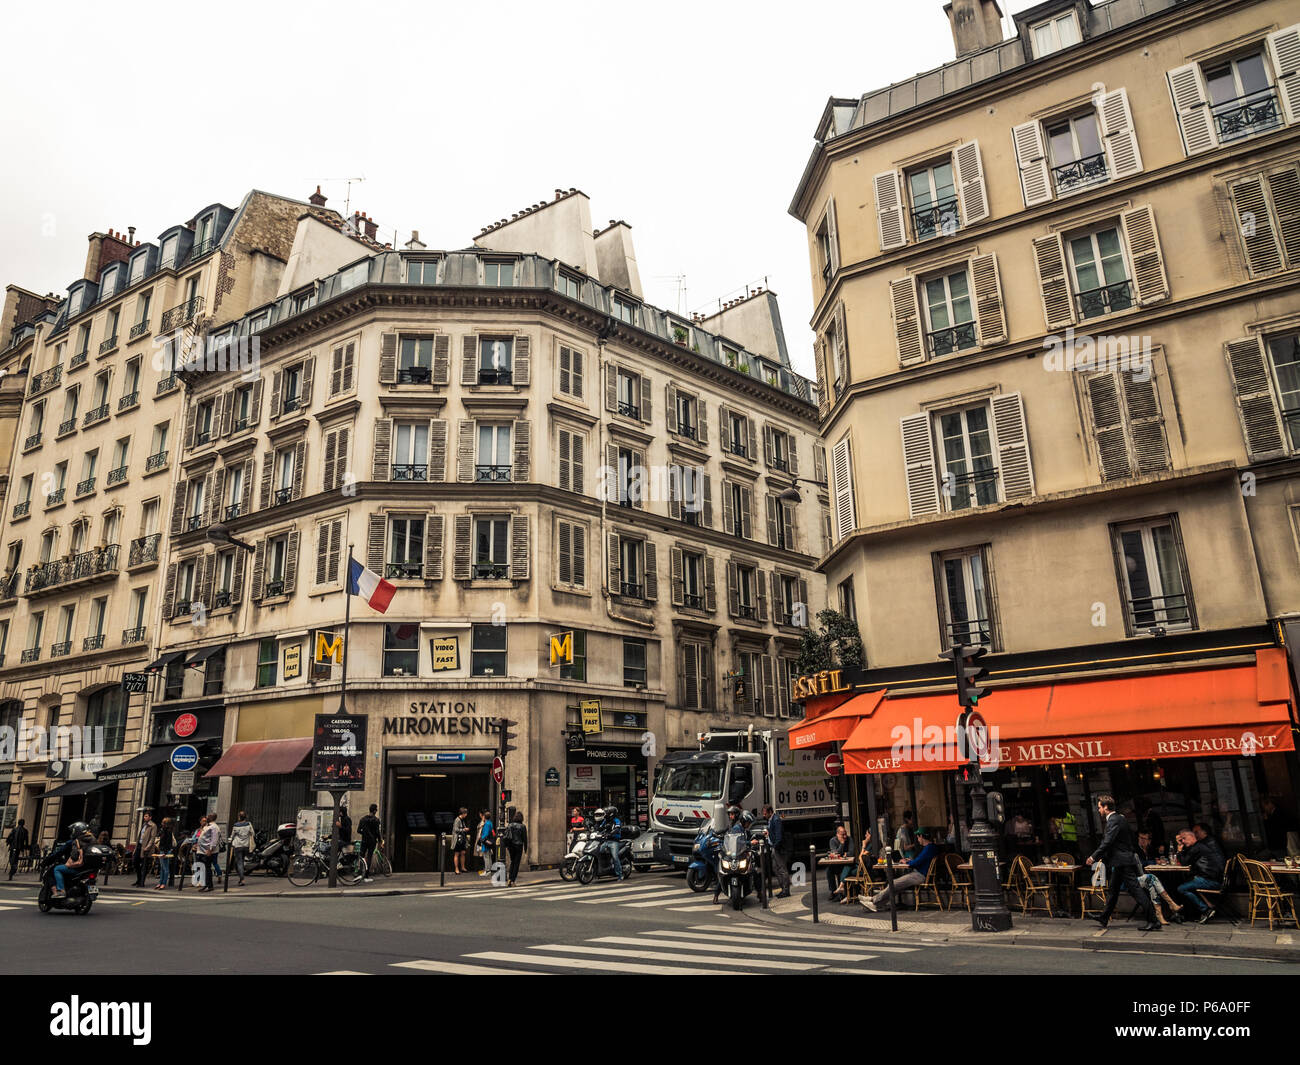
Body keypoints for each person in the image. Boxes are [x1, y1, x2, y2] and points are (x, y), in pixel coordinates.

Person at [1086, 794, 1158, 931]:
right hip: (1120, 861)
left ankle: (1154, 920)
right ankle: (1104, 917)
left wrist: (1093, 857)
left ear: (1106, 807)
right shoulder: (1120, 819)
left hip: (1123, 862)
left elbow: (1107, 841)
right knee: (1113, 891)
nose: (1099, 810)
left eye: (1100, 807)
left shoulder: (1114, 820)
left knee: (1136, 891)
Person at [861, 828, 939, 911]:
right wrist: (910, 861)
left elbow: (916, 863)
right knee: (897, 886)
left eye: (918, 837)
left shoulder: (928, 848)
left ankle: (873, 900)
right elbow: (920, 860)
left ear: (922, 836)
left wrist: (907, 862)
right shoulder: (931, 847)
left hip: (920, 875)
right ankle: (875, 903)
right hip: (920, 874)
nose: (917, 839)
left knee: (894, 883)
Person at [1174, 825, 1226, 923]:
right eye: (1181, 840)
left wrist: (1180, 850)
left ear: (1192, 836)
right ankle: (1195, 911)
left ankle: (1205, 909)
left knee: (1181, 888)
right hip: (1213, 879)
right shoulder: (1198, 846)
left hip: (1211, 881)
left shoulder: (1197, 848)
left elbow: (1184, 862)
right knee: (1187, 883)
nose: (1183, 842)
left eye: (1184, 838)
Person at [1134, 830, 1182, 925]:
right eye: (1141, 838)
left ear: (1149, 840)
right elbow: (1141, 863)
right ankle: (1171, 905)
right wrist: (1154, 862)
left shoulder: (1150, 849)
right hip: (1136, 879)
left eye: (1145, 838)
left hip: (1146, 878)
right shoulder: (1135, 850)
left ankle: (1161, 914)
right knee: (1153, 879)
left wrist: (1157, 859)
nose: (1142, 840)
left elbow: (1155, 858)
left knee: (1158, 884)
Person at [50, 821, 93, 899]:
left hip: (78, 868)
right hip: (88, 868)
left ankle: (61, 891)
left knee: (57, 869)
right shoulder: (93, 839)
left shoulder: (77, 841)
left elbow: (74, 856)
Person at [761, 803, 791, 899]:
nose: (763, 815)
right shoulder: (771, 820)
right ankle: (783, 888)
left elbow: (779, 836)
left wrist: (775, 846)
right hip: (775, 847)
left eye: (765, 813)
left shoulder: (776, 820)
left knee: (782, 869)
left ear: (770, 812)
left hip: (779, 848)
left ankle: (786, 890)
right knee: (775, 868)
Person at [827, 823, 854, 898]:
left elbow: (851, 852)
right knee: (829, 871)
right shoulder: (832, 840)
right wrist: (842, 844)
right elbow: (835, 853)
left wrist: (845, 854)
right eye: (842, 835)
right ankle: (833, 891)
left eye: (845, 834)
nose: (845, 836)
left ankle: (841, 892)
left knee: (841, 871)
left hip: (846, 864)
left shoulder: (849, 839)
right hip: (836, 863)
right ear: (837, 834)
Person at [600, 806, 625, 882]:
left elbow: (617, 829)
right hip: (606, 841)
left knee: (615, 857)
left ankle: (620, 875)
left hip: (614, 841)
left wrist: (611, 833)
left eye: (606, 812)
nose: (605, 814)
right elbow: (600, 827)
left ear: (611, 813)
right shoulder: (605, 820)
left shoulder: (616, 820)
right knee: (600, 851)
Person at [503, 810, 528, 887]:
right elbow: (524, 838)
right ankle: (513, 881)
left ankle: (510, 879)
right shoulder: (522, 826)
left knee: (512, 862)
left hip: (511, 846)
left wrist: (507, 845)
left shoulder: (510, 825)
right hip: (518, 846)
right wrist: (525, 848)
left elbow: (506, 835)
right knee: (516, 864)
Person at [229, 811, 255, 887]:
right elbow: (253, 833)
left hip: (238, 846)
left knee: (239, 862)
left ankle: (242, 879)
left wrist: (230, 840)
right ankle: (241, 878)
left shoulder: (236, 825)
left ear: (239, 817)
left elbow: (232, 836)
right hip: (246, 846)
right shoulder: (249, 824)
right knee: (242, 861)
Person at [359, 804, 382, 883]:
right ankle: (366, 875)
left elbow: (358, 830)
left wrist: (364, 833)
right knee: (369, 857)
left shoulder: (362, 819)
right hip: (372, 841)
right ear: (375, 811)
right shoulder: (376, 820)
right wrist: (380, 840)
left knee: (361, 856)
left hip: (364, 840)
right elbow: (377, 832)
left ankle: (360, 873)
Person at [133, 812, 157, 887]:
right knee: (135, 862)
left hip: (146, 848)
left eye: (146, 816)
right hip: (139, 845)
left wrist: (148, 847)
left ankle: (141, 881)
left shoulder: (153, 826)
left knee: (144, 865)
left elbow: (152, 838)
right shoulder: (144, 825)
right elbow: (140, 836)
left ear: (150, 817)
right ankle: (139, 879)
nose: (144, 818)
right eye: (144, 816)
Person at [197, 815, 221, 892]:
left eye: (208, 816)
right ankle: (205, 885)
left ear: (211, 818)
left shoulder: (214, 827)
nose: (206, 817)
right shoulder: (207, 826)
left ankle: (209, 885)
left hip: (207, 851)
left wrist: (210, 850)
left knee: (207, 868)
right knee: (203, 868)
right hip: (201, 850)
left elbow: (214, 840)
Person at [156, 817, 176, 890]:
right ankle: (160, 882)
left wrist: (165, 852)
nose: (161, 824)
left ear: (166, 824)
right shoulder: (162, 830)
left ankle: (163, 883)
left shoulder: (168, 831)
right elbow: (160, 839)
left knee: (165, 867)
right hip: (162, 849)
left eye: (163, 823)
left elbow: (168, 843)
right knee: (162, 867)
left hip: (166, 850)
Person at [476, 809, 495, 877]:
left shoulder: (486, 824)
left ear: (484, 817)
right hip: (489, 842)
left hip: (485, 842)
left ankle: (487, 870)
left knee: (486, 856)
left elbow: (485, 833)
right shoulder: (490, 823)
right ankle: (489, 869)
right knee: (489, 856)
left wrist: (481, 839)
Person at [452, 807, 470, 875]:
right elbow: (455, 829)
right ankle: (456, 869)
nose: (466, 815)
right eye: (466, 813)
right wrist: (464, 830)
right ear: (463, 813)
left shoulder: (462, 820)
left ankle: (463, 867)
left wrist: (464, 829)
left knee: (463, 853)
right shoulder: (457, 820)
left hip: (462, 839)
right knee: (457, 854)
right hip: (458, 840)